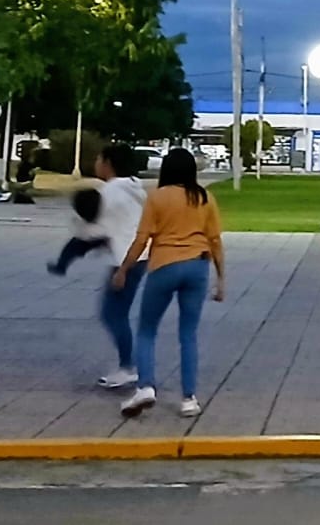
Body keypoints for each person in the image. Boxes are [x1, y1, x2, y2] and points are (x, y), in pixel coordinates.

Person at [113, 148, 224, 418]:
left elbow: (142, 239)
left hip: (165, 265)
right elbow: (215, 240)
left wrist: (124, 269)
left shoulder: (158, 198)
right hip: (198, 266)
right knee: (188, 333)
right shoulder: (205, 198)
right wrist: (221, 278)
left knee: (147, 329)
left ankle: (146, 386)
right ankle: (189, 398)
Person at [93, 143, 150, 389]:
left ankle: (129, 366)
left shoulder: (111, 191)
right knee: (118, 312)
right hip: (140, 256)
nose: (95, 163)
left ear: (108, 163)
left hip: (124, 260)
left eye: (98, 158)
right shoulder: (136, 188)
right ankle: (130, 364)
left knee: (112, 313)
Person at [48, 187, 110, 275]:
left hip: (100, 233)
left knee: (73, 246)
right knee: (74, 245)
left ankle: (61, 266)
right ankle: (61, 266)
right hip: (96, 233)